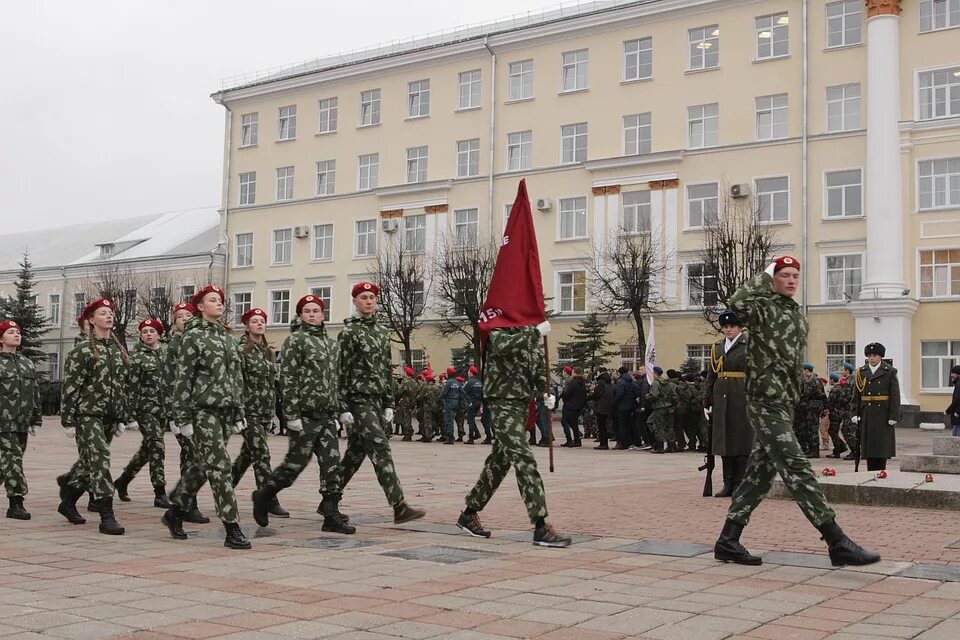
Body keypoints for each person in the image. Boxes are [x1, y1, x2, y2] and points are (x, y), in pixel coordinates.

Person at [713, 256, 879, 567]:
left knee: (759, 476)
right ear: (773, 279)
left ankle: (728, 541)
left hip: (785, 403)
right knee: (797, 468)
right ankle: (836, 540)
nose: (791, 280)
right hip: (764, 403)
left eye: (795, 276)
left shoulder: (797, 316)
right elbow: (737, 300)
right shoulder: (762, 308)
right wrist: (765, 272)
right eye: (784, 275)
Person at [456, 322, 571, 547]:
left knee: (498, 464)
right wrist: (534, 331)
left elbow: (538, 370)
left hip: (520, 406)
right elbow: (503, 347)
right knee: (524, 458)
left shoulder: (531, 340)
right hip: (501, 404)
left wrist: (546, 393)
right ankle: (540, 526)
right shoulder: (499, 332)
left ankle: (469, 514)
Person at [253, 295, 353, 534]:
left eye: (316, 310)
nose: (311, 314)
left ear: (323, 314)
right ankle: (264, 494)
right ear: (300, 315)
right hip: (305, 416)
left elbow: (335, 381)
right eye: (306, 310)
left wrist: (341, 410)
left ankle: (331, 514)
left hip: (327, 416)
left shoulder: (331, 345)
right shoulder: (295, 341)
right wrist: (291, 414)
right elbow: (288, 379)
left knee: (331, 465)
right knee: (294, 466)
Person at [161, 285, 251, 550]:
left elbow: (235, 378)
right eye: (213, 300)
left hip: (225, 411)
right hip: (203, 411)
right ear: (200, 307)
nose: (219, 304)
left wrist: (238, 412)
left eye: (221, 300)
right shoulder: (193, 338)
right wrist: (182, 417)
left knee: (202, 465)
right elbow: (182, 379)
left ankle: (175, 511)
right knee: (221, 466)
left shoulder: (226, 338)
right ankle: (232, 528)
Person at [337, 282, 425, 523]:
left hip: (376, 400)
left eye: (372, 297)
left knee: (355, 454)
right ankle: (399, 505)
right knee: (380, 447)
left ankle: (329, 500)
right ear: (354, 301)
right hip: (358, 400)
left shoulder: (380, 331)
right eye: (363, 297)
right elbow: (340, 371)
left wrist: (389, 403)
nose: (369, 301)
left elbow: (386, 369)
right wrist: (342, 407)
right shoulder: (348, 332)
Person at [58, 298, 129, 535]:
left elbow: (121, 386)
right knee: (100, 458)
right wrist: (68, 420)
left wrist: (122, 416)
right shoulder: (82, 351)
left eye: (110, 313)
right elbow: (70, 388)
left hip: (109, 416)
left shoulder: (118, 350)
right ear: (91, 319)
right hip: (87, 415)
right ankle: (106, 515)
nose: (108, 316)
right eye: (102, 313)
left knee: (89, 463)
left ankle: (67, 502)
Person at [232, 308, 288, 519]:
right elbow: (236, 382)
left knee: (248, 455)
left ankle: (225, 486)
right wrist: (237, 413)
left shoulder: (267, 351)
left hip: (265, 411)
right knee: (261, 454)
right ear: (246, 326)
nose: (259, 324)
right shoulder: (241, 351)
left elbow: (272, 383)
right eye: (254, 321)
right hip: (249, 411)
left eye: (262, 321)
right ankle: (267, 498)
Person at [114, 318, 173, 509]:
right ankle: (160, 492)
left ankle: (123, 480)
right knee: (157, 446)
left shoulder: (167, 354)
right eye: (145, 331)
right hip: (145, 410)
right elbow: (131, 387)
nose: (148, 334)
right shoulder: (137, 357)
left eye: (152, 331)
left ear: (159, 334)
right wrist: (130, 415)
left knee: (147, 450)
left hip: (163, 409)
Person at [164, 302, 209, 524]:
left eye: (188, 315)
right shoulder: (174, 346)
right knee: (192, 454)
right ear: (175, 323)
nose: (184, 318)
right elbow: (170, 380)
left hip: (201, 408)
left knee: (196, 456)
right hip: (184, 410)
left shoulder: (200, 341)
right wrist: (174, 414)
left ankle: (184, 502)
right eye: (179, 316)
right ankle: (187, 504)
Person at [704, 310, 752, 497]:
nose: (728, 330)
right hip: (721, 397)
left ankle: (740, 484)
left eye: (731, 326)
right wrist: (707, 399)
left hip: (742, 395)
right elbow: (711, 375)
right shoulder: (717, 347)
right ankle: (728, 483)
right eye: (725, 327)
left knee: (741, 441)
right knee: (724, 442)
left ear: (740, 327)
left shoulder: (749, 345)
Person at [0, 320, 41, 520]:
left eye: (18, 332)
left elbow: (35, 393)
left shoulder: (27, 363)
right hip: (3, 422)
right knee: (13, 460)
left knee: (8, 462)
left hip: (22, 421)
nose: (16, 335)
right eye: (10, 332)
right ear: (1, 339)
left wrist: (35, 418)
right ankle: (15, 504)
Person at [851, 343, 901, 471]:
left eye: (874, 355)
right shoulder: (861, 372)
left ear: (880, 356)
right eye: (869, 356)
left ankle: (880, 471)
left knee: (881, 447)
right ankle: (871, 471)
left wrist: (893, 415)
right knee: (869, 448)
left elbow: (895, 396)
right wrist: (854, 413)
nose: (871, 358)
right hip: (866, 413)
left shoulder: (889, 371)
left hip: (883, 414)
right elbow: (856, 395)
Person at [795, 364, 827, 459]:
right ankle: (812, 449)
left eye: (803, 371)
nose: (803, 373)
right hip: (815, 407)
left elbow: (806, 394)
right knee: (812, 428)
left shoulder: (811, 381)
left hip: (811, 408)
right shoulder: (818, 380)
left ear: (806, 370)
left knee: (812, 429)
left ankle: (814, 451)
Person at [647, 367, 678, 453]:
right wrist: (673, 406)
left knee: (658, 427)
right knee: (669, 427)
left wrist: (648, 396)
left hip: (659, 407)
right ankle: (671, 446)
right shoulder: (668, 383)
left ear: (655, 373)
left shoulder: (655, 383)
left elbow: (654, 395)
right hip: (668, 407)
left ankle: (659, 447)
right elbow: (674, 396)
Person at [825, 373, 851, 459]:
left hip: (834, 413)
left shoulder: (835, 388)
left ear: (832, 380)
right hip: (840, 413)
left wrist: (826, 409)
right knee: (834, 431)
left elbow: (830, 401)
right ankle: (840, 447)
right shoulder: (842, 387)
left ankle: (838, 449)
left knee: (832, 431)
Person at [612, 366, 638, 450]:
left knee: (622, 426)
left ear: (620, 373)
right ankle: (634, 442)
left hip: (622, 407)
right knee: (631, 425)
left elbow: (619, 394)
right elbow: (637, 391)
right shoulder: (632, 381)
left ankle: (624, 444)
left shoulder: (621, 382)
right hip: (631, 406)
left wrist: (614, 403)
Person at [560, 368, 587, 447]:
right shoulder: (582, 383)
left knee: (565, 421)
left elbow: (568, 393)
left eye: (572, 372)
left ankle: (572, 440)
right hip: (578, 405)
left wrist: (564, 397)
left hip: (570, 405)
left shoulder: (573, 382)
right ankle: (576, 440)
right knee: (574, 423)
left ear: (575, 373)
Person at [839, 363, 859, 461]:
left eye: (842, 370)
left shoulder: (849, 382)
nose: (841, 371)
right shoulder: (854, 380)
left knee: (848, 431)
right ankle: (855, 450)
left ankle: (855, 451)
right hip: (852, 410)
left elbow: (844, 398)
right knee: (850, 430)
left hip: (848, 410)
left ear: (847, 371)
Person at [591, 370, 615, 450]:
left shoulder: (601, 384)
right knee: (607, 426)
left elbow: (596, 395)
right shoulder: (612, 386)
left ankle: (603, 444)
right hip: (610, 408)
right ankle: (606, 443)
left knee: (601, 426)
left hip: (601, 408)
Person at [439, 368, 463, 445]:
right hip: (456, 402)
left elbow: (443, 394)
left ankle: (450, 438)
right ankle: (451, 437)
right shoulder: (457, 383)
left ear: (448, 374)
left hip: (449, 403)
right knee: (452, 420)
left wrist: (440, 396)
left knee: (448, 421)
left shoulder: (448, 383)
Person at [396, 367, 418, 442]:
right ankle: (409, 432)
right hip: (413, 402)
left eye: (404, 372)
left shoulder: (405, 382)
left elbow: (400, 392)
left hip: (406, 402)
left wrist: (399, 390)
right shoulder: (414, 382)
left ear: (406, 373)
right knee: (409, 418)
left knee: (406, 419)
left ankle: (408, 435)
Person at [945, 365, 960, 437]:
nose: (951, 375)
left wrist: (958, 412)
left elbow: (957, 400)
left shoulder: (959, 384)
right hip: (957, 419)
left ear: (958, 375)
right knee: (954, 439)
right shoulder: (958, 384)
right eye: (951, 373)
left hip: (958, 417)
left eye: (953, 373)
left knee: (956, 441)